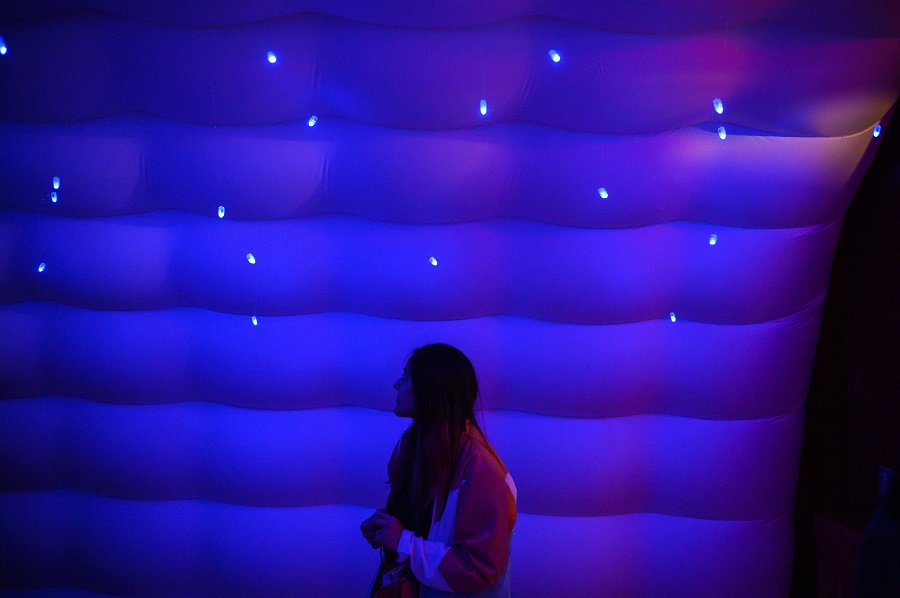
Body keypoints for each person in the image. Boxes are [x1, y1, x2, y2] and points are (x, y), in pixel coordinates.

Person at [361, 343, 517, 597]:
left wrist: (402, 542)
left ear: (430, 390)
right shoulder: (408, 445)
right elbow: (421, 525)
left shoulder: (483, 473)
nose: (396, 385)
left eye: (405, 377)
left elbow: (479, 569)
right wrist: (385, 526)